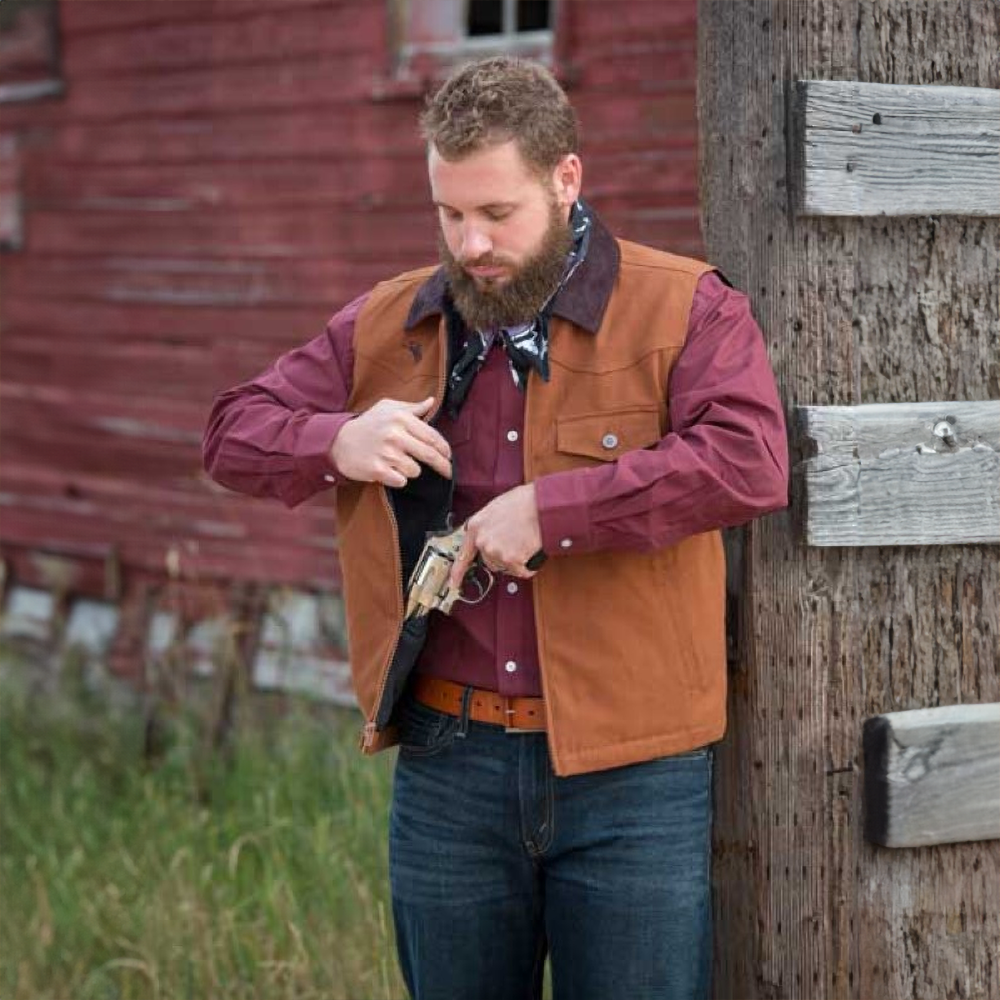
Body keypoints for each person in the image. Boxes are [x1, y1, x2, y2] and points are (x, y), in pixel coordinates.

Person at [203, 56, 788, 1000]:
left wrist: (553, 511)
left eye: (496, 214)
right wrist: (337, 439)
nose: (470, 243)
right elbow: (230, 432)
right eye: (448, 214)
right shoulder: (388, 322)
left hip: (633, 771)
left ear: (566, 180)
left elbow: (749, 459)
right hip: (449, 766)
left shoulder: (687, 305)